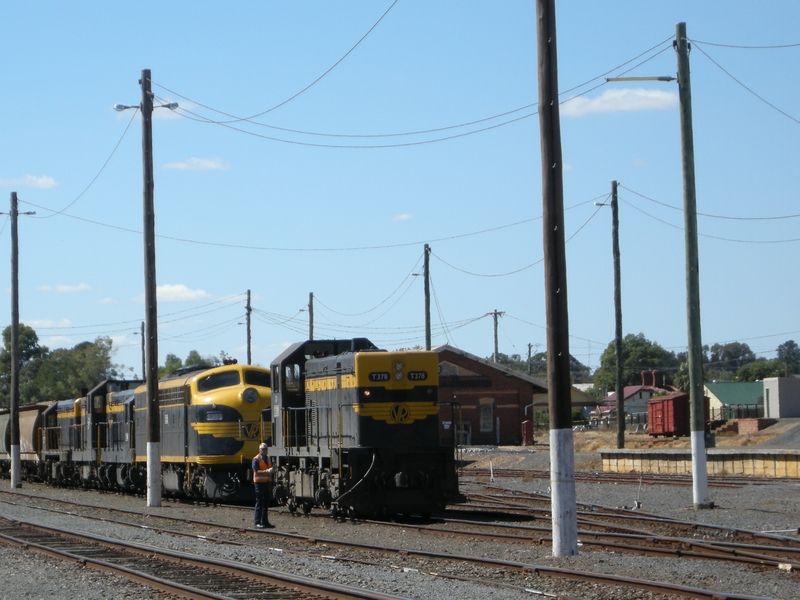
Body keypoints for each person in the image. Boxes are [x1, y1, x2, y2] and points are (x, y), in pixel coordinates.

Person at [252, 443, 275, 528]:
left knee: (266, 503)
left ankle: (265, 522)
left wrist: (272, 471)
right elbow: (256, 471)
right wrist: (267, 471)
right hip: (259, 483)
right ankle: (257, 522)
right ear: (259, 450)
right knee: (259, 502)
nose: (264, 451)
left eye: (265, 449)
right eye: (263, 449)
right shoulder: (256, 459)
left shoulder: (268, 458)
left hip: (266, 482)